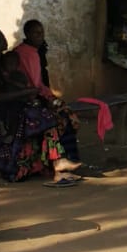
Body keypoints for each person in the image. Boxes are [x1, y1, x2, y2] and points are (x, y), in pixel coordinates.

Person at [0, 30, 81, 184]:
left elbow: (9, 86)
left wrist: (25, 93)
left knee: (47, 116)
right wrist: (26, 92)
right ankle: (30, 165)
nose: (3, 48)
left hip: (5, 102)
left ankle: (52, 163)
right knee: (42, 119)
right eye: (0, 45)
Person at [11, 19, 82, 163]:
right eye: (37, 33)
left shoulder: (33, 52)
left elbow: (39, 83)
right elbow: (35, 84)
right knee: (63, 118)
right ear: (28, 34)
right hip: (28, 99)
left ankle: (66, 159)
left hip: (36, 95)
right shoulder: (24, 53)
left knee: (67, 115)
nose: (41, 36)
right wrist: (49, 98)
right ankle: (64, 159)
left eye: (42, 32)